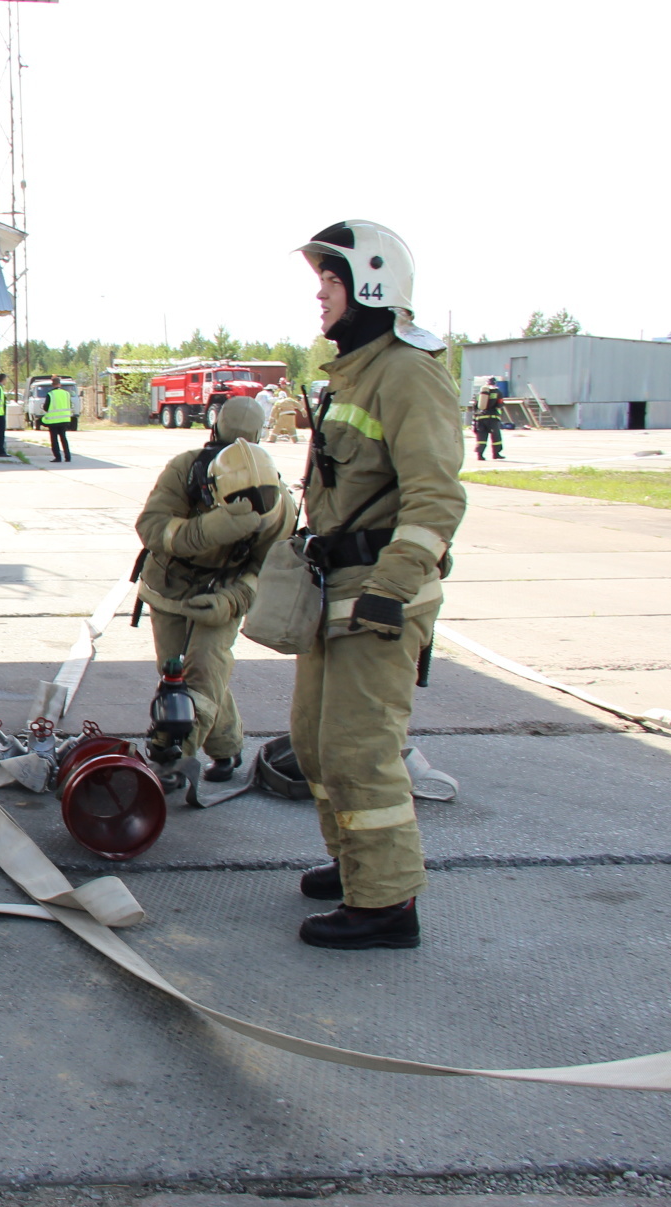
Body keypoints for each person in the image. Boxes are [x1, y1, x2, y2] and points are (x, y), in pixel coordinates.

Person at [290, 220, 465, 950]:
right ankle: (354, 860)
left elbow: (436, 496)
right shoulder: (354, 371)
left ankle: (388, 903)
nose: (319, 298)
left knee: (361, 749)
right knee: (314, 743)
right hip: (337, 587)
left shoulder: (408, 371)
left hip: (378, 593)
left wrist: (391, 587)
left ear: (368, 285)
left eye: (329, 283)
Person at [134, 398, 296, 784]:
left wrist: (232, 601)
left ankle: (173, 758)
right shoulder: (185, 470)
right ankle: (227, 748)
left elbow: (269, 570)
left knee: (203, 673)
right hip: (169, 588)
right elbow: (152, 527)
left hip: (223, 594)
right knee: (175, 673)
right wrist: (211, 530)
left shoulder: (277, 502)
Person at [472, 376, 506, 461]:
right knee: (496, 437)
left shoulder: (480, 393)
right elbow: (500, 404)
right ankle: (496, 454)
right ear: (495, 383)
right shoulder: (497, 392)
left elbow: (475, 406)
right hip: (492, 418)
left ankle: (480, 455)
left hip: (480, 418)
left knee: (481, 437)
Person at [43, 378, 75, 462]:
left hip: (53, 421)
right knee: (63, 438)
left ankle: (57, 457)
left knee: (54, 439)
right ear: (60, 384)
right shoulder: (67, 394)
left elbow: (46, 407)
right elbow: (70, 405)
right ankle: (68, 457)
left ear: (52, 384)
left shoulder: (50, 394)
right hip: (65, 419)